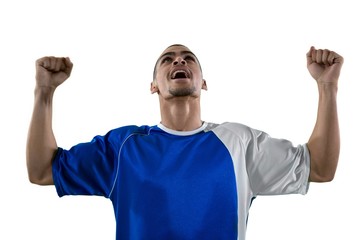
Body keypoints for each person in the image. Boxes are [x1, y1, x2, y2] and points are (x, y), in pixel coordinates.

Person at [26, 44, 343, 240]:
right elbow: (41, 170)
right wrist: (44, 92)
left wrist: (327, 86)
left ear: (203, 82)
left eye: (188, 58)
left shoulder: (240, 145)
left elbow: (321, 166)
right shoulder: (123, 148)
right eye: (168, 59)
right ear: (153, 86)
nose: (179, 61)